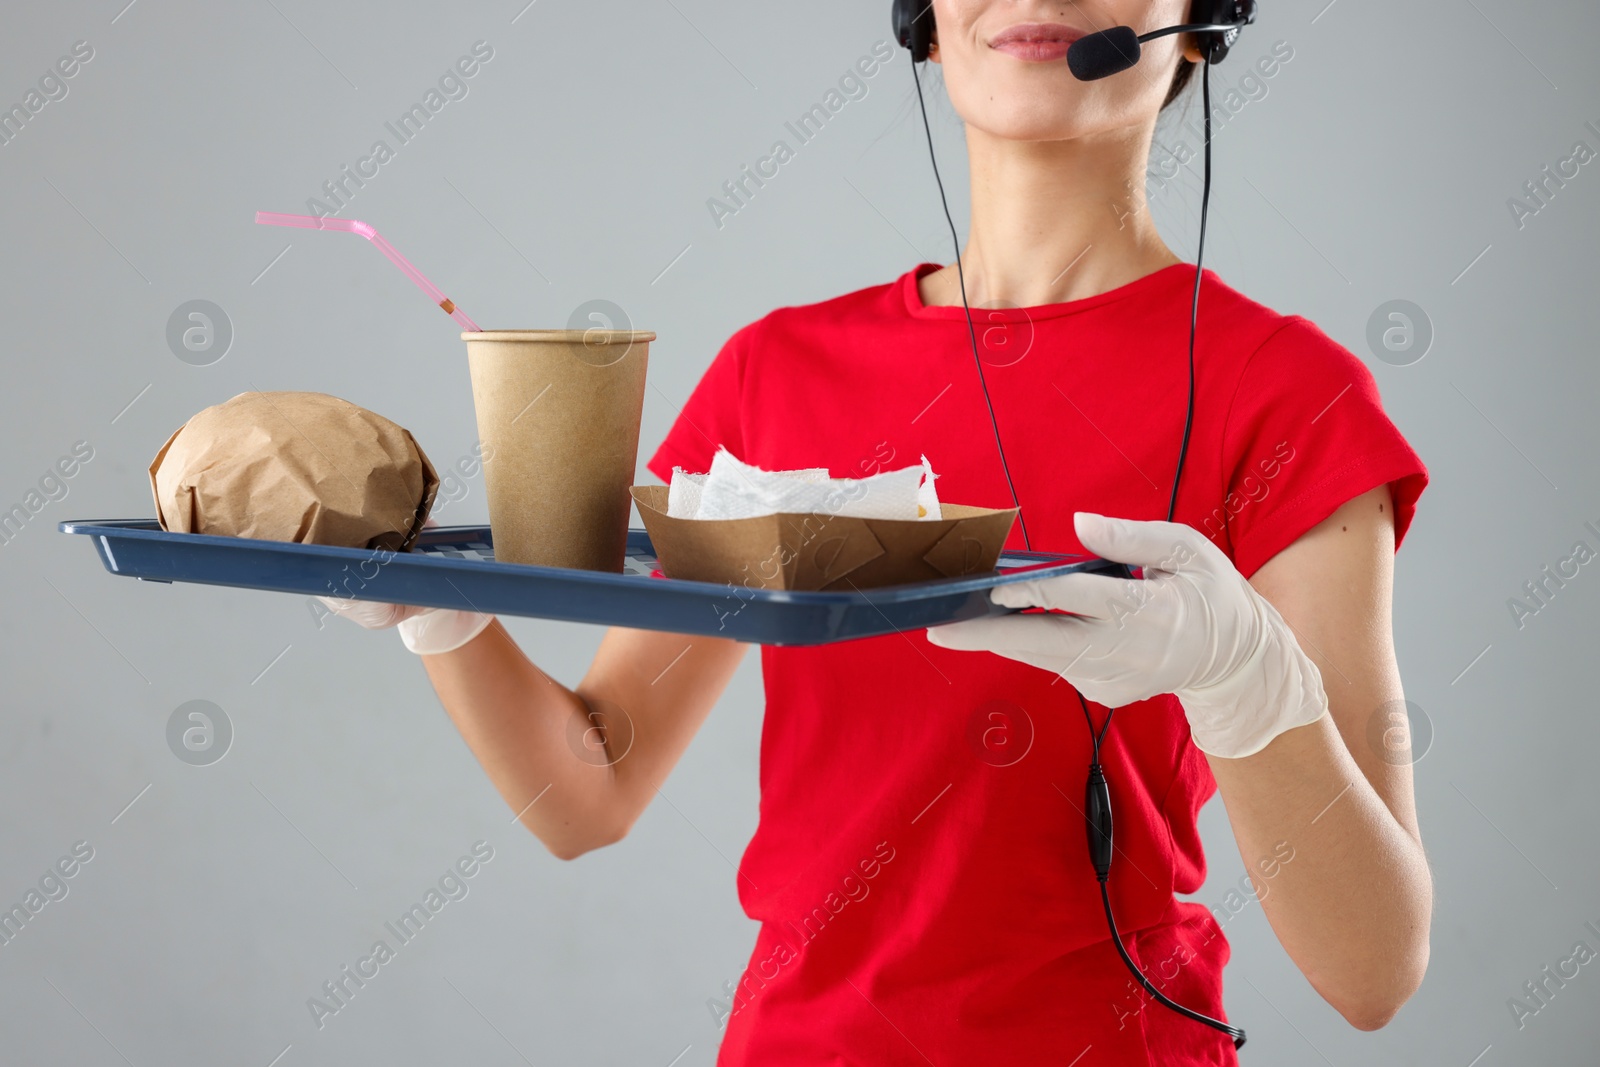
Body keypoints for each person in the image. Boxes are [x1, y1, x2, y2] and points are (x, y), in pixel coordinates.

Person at [324, 2, 1432, 1062]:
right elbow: (589, 790)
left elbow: (1373, 967)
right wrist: (442, 615)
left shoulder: (1291, 398)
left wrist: (1245, 683)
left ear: (1202, 19)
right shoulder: (774, 372)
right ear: (924, 17)